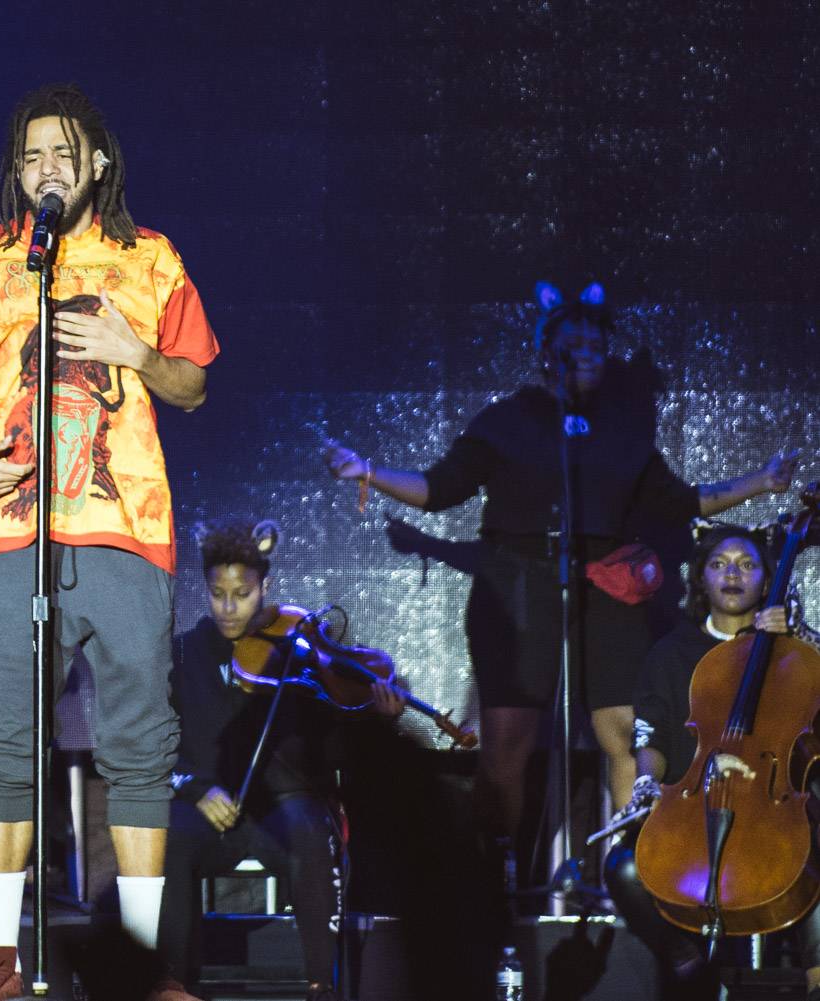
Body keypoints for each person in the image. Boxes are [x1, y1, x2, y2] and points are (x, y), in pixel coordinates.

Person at [0, 83, 219, 1001]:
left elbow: (192, 384)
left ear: (98, 163)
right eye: (30, 157)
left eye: (63, 153)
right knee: (7, 742)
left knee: (140, 745)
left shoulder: (150, 260)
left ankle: (144, 971)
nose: (46, 169)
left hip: (129, 532)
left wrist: (134, 352)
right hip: (13, 532)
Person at [323, 282, 799, 860]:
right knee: (507, 746)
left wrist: (761, 482)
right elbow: (439, 488)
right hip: (519, 584)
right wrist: (370, 471)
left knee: (625, 730)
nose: (590, 353)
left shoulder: (622, 429)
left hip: (607, 588)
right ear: (548, 352)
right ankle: (494, 891)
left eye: (599, 344)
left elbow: (680, 502)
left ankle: (633, 870)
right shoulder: (508, 420)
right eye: (576, 343)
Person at [157, 522, 403, 1001]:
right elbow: (156, 744)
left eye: (243, 594)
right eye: (218, 594)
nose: (229, 608)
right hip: (210, 805)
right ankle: (174, 985)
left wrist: (379, 721)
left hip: (284, 807)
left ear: (264, 588)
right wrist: (194, 788)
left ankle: (321, 986)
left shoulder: (299, 651)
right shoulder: (182, 652)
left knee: (309, 831)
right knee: (170, 839)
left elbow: (338, 742)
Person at [605, 523, 820, 999]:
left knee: (814, 851)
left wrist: (799, 636)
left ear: (767, 580)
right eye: (719, 564)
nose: (732, 575)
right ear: (700, 578)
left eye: (747, 565)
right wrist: (646, 784)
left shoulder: (792, 651)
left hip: (772, 804)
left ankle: (817, 977)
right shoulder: (669, 654)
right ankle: (691, 971)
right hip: (694, 802)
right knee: (623, 867)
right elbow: (652, 737)